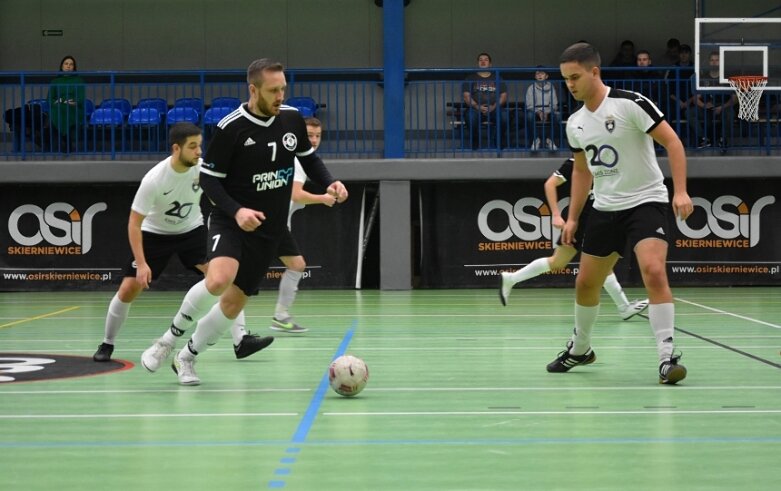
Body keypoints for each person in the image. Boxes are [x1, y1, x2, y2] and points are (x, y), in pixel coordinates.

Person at [141, 59, 348, 385]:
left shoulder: (292, 119)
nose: (280, 95)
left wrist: (330, 183)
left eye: (283, 88)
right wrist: (237, 211)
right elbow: (209, 181)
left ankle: (187, 357)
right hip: (230, 219)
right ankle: (168, 339)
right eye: (273, 90)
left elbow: (310, 159)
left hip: (270, 229)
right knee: (219, 279)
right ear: (253, 90)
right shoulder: (231, 128)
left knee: (233, 303)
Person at [548, 42, 693, 385]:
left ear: (594, 71)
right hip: (605, 207)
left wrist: (682, 190)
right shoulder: (575, 123)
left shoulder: (630, 104)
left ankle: (666, 357)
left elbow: (673, 143)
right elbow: (582, 172)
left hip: (646, 201)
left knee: (653, 270)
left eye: (575, 77)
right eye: (566, 79)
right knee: (585, 284)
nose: (570, 85)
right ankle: (581, 348)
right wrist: (572, 218)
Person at [93, 123, 273, 362]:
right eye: (192, 146)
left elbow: (221, 196)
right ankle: (107, 343)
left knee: (223, 280)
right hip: (155, 235)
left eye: (200, 145)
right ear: (176, 148)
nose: (199, 151)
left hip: (192, 231)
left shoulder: (202, 170)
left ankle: (241, 340)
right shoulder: (154, 179)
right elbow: (134, 224)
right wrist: (141, 263)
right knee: (128, 289)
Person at [499, 155, 649, 321]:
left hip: (599, 216)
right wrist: (556, 215)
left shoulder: (608, 158)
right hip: (582, 218)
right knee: (559, 262)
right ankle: (511, 278)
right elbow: (550, 184)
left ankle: (624, 307)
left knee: (600, 263)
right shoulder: (576, 161)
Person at [269, 116, 339, 333]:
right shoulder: (295, 160)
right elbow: (296, 194)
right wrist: (323, 199)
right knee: (231, 278)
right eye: (309, 135)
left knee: (297, 266)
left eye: (318, 136)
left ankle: (280, 316)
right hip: (267, 222)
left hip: (278, 224)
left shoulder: (301, 160)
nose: (314, 140)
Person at [686, 51, 736, 149]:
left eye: (717, 60)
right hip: (707, 107)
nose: (714, 62)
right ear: (709, 62)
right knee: (689, 112)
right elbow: (696, 99)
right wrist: (704, 106)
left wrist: (721, 107)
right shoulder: (703, 78)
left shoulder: (727, 78)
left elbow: (734, 99)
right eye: (712, 60)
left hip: (723, 106)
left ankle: (723, 140)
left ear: (721, 62)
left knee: (730, 113)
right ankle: (703, 139)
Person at [462, 52, 508, 149]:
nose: (483, 62)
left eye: (486, 60)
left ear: (490, 64)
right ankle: (475, 139)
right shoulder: (470, 78)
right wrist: (477, 106)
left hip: (494, 108)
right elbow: (466, 96)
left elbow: (503, 96)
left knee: (504, 116)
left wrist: (493, 107)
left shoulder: (497, 77)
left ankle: (498, 139)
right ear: (477, 63)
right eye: (480, 60)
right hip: (475, 109)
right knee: (470, 116)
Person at [47, 55, 86, 152]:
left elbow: (80, 99)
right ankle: (60, 145)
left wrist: (68, 102)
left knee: (66, 110)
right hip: (58, 108)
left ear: (74, 67)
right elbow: (49, 99)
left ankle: (66, 144)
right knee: (57, 111)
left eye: (71, 64)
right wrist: (61, 101)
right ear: (62, 66)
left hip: (73, 109)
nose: (68, 66)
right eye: (66, 64)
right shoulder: (55, 81)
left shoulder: (79, 81)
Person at [525, 66, 560, 151]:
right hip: (535, 112)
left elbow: (555, 104)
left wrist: (547, 112)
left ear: (546, 76)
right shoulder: (531, 88)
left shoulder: (551, 87)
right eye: (537, 73)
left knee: (557, 115)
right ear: (535, 76)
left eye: (542, 73)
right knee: (529, 116)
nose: (540, 75)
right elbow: (529, 105)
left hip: (548, 111)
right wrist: (539, 112)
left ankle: (550, 140)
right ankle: (536, 139)